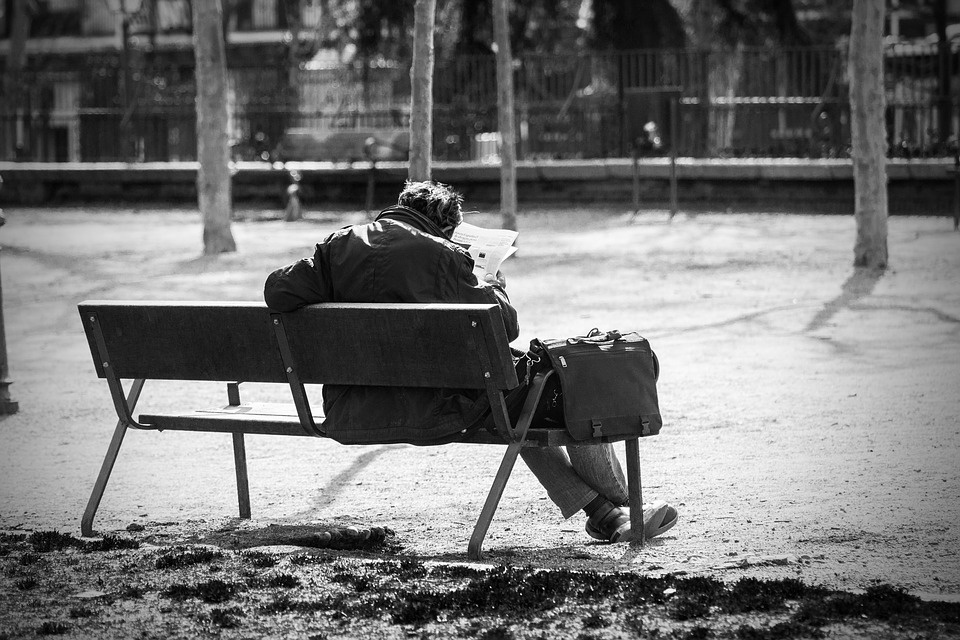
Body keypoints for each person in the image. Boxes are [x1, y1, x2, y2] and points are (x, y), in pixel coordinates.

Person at [263, 180, 677, 543]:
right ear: (446, 227)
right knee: (575, 386)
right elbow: (506, 327)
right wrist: (493, 286)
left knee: (519, 407)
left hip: (354, 407)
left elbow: (278, 290)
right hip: (444, 407)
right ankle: (626, 507)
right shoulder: (443, 256)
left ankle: (605, 515)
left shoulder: (338, 246)